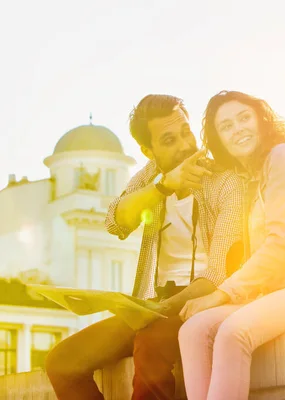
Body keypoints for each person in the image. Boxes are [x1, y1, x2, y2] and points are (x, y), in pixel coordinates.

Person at [45, 94, 244, 400]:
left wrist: (158, 311)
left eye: (186, 132)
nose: (185, 145)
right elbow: (115, 221)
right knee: (62, 363)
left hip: (208, 302)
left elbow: (220, 274)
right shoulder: (153, 175)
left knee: (150, 342)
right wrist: (164, 186)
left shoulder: (226, 182)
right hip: (154, 305)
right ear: (148, 150)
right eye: (169, 140)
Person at [177, 90, 285, 400]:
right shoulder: (251, 179)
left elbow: (281, 244)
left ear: (261, 120)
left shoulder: (282, 157)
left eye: (244, 118)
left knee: (234, 333)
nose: (238, 128)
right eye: (226, 126)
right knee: (193, 330)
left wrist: (222, 293)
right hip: (276, 293)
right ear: (219, 139)